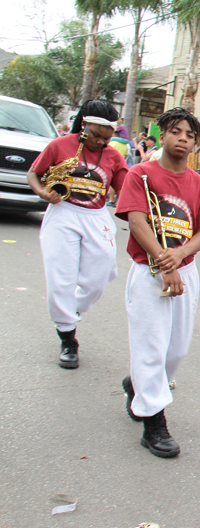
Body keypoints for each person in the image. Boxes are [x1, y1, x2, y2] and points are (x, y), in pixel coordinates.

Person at [115, 108, 200, 459]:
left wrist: (181, 254)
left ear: (196, 143)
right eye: (176, 131)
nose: (183, 139)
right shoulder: (140, 174)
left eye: (190, 135)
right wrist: (163, 260)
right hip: (149, 269)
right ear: (162, 135)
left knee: (176, 351)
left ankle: (137, 384)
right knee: (151, 347)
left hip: (185, 270)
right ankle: (154, 424)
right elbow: (136, 221)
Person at [27, 99, 129, 369]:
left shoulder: (113, 156)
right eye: (96, 136)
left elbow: (126, 190)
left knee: (102, 274)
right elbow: (33, 173)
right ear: (84, 125)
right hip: (63, 213)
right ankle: (67, 338)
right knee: (61, 279)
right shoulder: (59, 145)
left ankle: (68, 307)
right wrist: (43, 193)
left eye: (107, 138)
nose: (101, 142)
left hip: (96, 217)